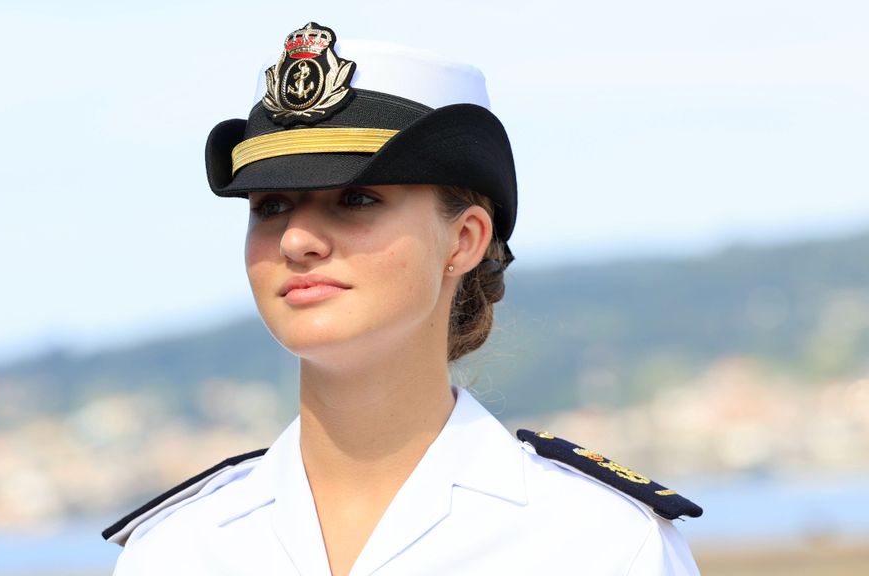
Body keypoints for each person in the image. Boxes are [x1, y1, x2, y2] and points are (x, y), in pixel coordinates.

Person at [103, 22, 702, 575]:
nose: (296, 239)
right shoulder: (177, 550)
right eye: (271, 207)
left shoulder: (602, 546)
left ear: (464, 240)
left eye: (357, 200)